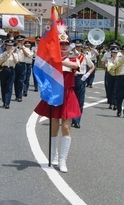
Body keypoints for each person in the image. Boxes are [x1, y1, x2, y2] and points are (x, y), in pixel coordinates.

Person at [34, 29, 81, 173]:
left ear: (70, 45)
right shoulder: (51, 60)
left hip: (67, 95)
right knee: (54, 124)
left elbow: (76, 66)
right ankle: (53, 155)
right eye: (61, 44)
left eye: (66, 44)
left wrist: (58, 61)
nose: (64, 46)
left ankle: (63, 160)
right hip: (55, 95)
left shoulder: (73, 58)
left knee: (66, 127)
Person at [71, 39, 95, 129]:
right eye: (76, 47)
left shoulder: (84, 56)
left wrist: (87, 74)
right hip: (70, 78)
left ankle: (76, 121)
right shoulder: (69, 55)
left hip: (80, 78)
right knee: (69, 100)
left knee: (79, 100)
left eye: (79, 47)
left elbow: (92, 66)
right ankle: (69, 118)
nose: (77, 48)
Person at [0, 40, 19, 109]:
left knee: (9, 87)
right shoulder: (2, 54)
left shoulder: (15, 54)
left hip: (11, 70)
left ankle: (7, 103)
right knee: (3, 86)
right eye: (8, 45)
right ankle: (4, 101)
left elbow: (16, 62)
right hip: (4, 70)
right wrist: (6, 54)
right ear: (6, 46)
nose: (10, 47)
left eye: (11, 45)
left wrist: (12, 54)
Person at [14, 35, 31, 102]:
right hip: (15, 65)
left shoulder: (26, 49)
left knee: (21, 81)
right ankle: (17, 95)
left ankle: (20, 96)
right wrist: (16, 48)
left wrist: (22, 48)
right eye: (18, 41)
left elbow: (27, 55)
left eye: (21, 41)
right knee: (15, 81)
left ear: (23, 41)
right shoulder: (14, 48)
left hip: (22, 65)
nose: (19, 42)